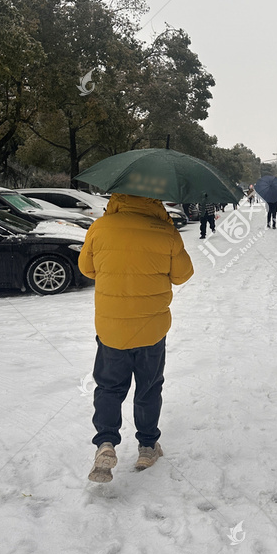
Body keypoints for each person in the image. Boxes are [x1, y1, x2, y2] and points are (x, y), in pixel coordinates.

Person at [79, 193, 194, 483]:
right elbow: (183, 274)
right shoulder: (165, 231)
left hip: (111, 329)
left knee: (108, 387)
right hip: (151, 329)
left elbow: (86, 268)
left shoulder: (101, 227)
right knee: (149, 387)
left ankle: (105, 443)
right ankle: (146, 446)